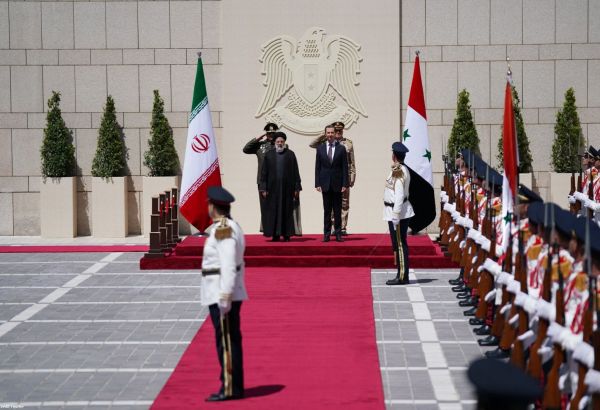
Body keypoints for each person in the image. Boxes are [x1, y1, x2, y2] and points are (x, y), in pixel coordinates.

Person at [202, 186, 247, 402]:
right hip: (224, 292)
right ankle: (233, 384)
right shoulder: (229, 226)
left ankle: (230, 387)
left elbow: (228, 264)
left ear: (214, 207)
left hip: (222, 294)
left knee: (226, 342)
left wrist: (225, 296)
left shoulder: (223, 228)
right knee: (229, 340)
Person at [310, 121, 356, 235]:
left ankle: (343, 228)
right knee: (329, 205)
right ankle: (332, 227)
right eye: (336, 130)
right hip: (329, 179)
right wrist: (324, 134)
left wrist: (352, 177)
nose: (338, 132)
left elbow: (351, 162)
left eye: (340, 130)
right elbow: (312, 144)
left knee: (344, 203)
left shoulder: (348, 144)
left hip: (343, 177)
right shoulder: (324, 143)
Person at [259, 132, 302, 242]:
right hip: (272, 190)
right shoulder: (269, 155)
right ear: (274, 142)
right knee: (273, 212)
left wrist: (297, 188)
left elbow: (296, 172)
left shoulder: (291, 154)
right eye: (278, 141)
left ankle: (287, 235)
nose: (280, 143)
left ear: (284, 142)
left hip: (287, 189)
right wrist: (263, 188)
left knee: (287, 212)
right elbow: (264, 173)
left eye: (282, 141)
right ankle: (275, 235)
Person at [383, 142, 414, 285]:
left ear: (394, 155)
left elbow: (400, 194)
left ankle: (402, 276)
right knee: (397, 244)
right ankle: (401, 274)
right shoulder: (398, 169)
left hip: (398, 214)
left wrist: (395, 214)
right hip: (394, 211)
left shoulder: (399, 170)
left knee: (400, 244)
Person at [315, 124, 349, 242]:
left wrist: (345, 184)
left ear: (335, 134)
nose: (330, 135)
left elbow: (345, 167)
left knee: (338, 210)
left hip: (338, 184)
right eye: (328, 133)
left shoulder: (341, 148)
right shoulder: (320, 148)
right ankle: (326, 234)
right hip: (325, 184)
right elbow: (317, 167)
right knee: (327, 211)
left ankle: (338, 233)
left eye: (332, 133)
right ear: (325, 134)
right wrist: (317, 183)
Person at [242, 123, 278, 231]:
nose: (271, 135)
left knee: (276, 204)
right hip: (262, 181)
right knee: (265, 206)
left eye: (273, 133)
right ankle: (267, 228)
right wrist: (257, 139)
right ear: (266, 134)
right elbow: (245, 149)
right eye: (269, 133)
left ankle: (277, 227)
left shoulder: (280, 145)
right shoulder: (260, 145)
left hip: (276, 180)